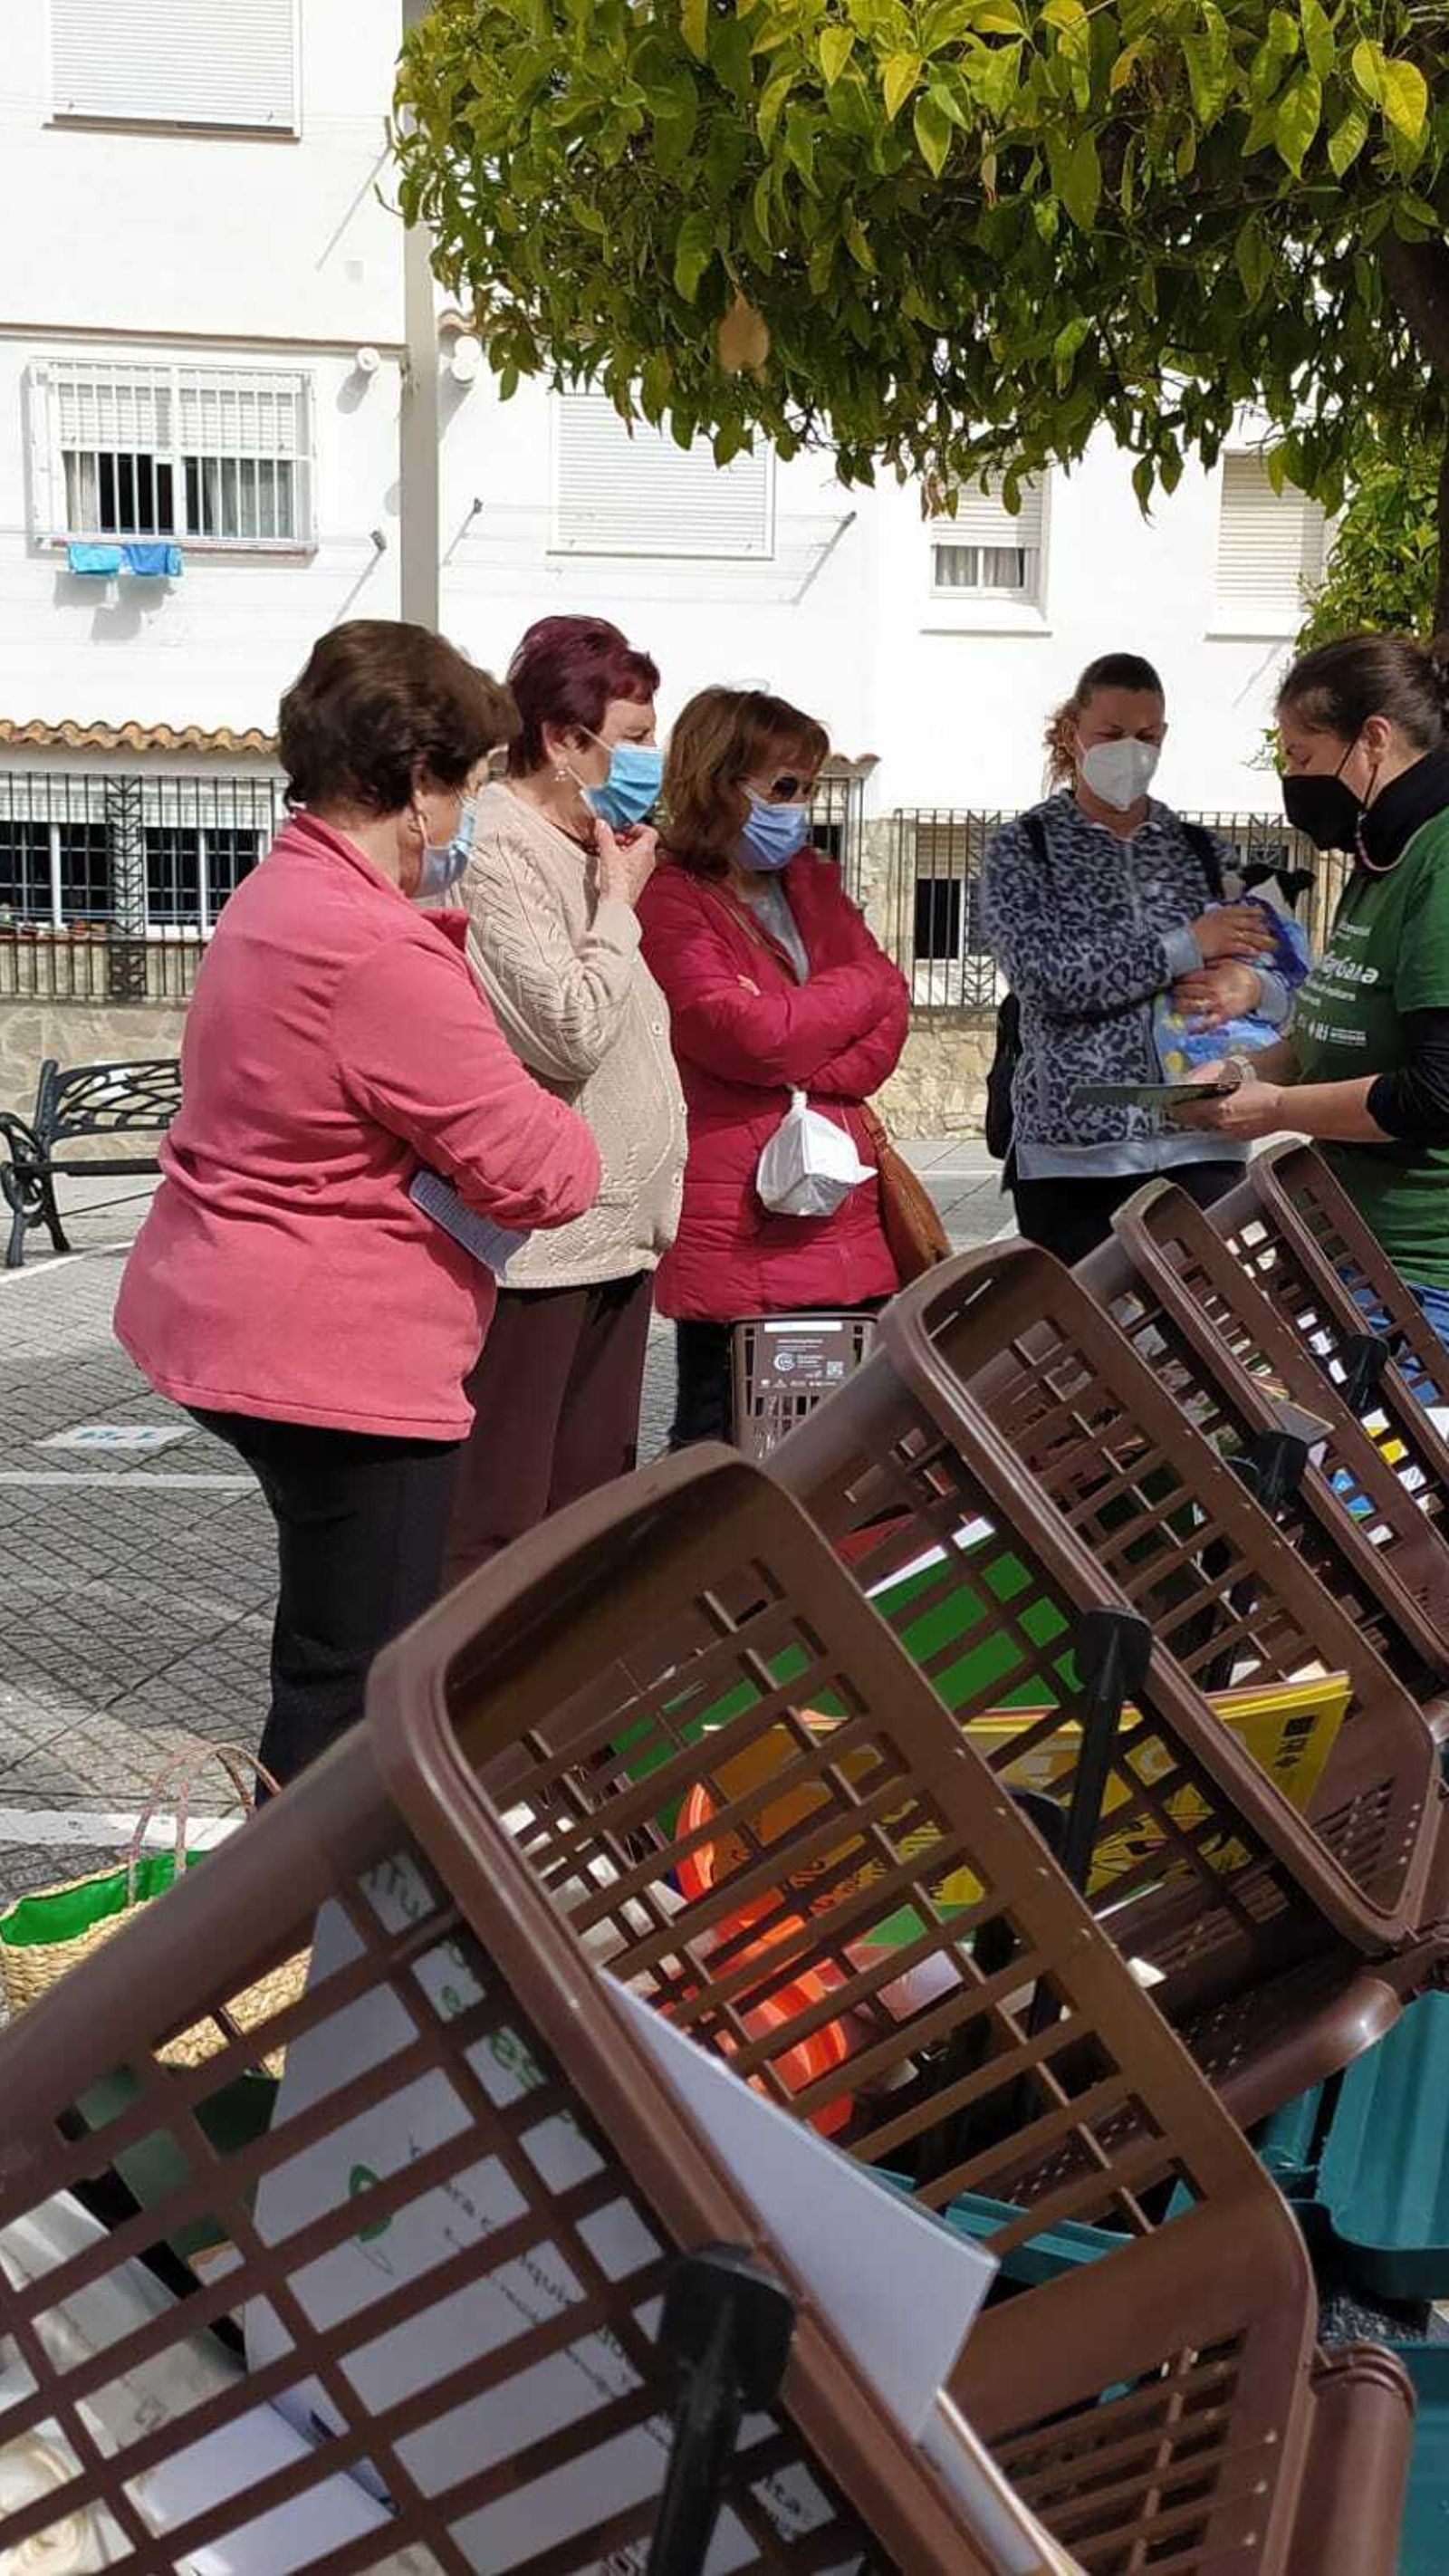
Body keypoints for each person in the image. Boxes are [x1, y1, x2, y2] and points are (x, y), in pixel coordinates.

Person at [114, 620, 601, 1785]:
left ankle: (311, 1924)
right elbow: (546, 1171)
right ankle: (310, 1936)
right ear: (416, 782)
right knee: (355, 1682)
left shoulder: (280, 892)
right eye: (474, 782)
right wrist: (557, 1122)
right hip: (338, 1357)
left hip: (238, 1309)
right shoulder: (373, 950)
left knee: (332, 1655)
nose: (475, 814)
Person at [441, 615, 686, 1584]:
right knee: (503, 1513)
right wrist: (620, 901)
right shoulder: (497, 847)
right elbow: (567, 1028)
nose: (648, 758)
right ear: (560, 738)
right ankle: (469, 1720)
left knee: (589, 1509)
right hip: (539, 1247)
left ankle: (572, 1727)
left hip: (617, 1234)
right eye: (631, 737)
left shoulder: (591, 843)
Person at [638, 685, 909, 1446]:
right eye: (784, 788)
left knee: (845, 1459)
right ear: (719, 782)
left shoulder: (810, 884)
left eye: (809, 789)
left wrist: (802, 1049)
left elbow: (891, 1017)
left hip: (843, 1218)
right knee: (721, 1454)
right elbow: (743, 1034)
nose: (800, 808)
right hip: (738, 1228)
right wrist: (850, 997)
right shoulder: (669, 900)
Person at [1176, 631, 1449, 1353]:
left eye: (1301, 756)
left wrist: (1274, 1111)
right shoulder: (1379, 855)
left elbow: (1434, 1091)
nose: (1293, 778)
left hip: (1421, 1277)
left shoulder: (1440, 859)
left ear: (1374, 739)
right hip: (1349, 1246)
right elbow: (1335, 1027)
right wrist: (1243, 1075)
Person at [980, 651, 1286, 1265]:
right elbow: (1047, 981)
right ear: (1074, 733)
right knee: (1081, 1351)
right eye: (1111, 735)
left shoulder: (1204, 852)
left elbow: (1286, 981)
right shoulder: (1022, 850)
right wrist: (1188, 946)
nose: (1130, 751)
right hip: (1070, 1156)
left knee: (1203, 1344)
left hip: (1201, 1144)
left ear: (1164, 736)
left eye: (1146, 737)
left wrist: (1253, 989)